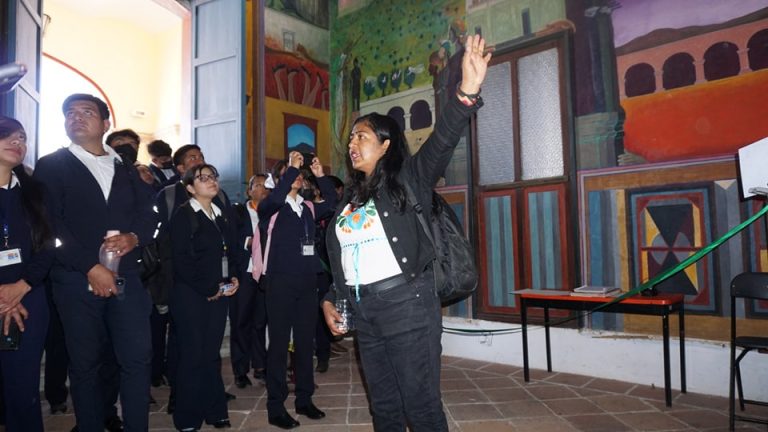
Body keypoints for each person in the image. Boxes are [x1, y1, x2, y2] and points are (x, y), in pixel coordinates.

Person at [321, 35, 490, 432]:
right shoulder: (348, 202)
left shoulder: (409, 180)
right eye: (350, 138)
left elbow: (443, 140)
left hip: (407, 306)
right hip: (365, 312)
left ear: (385, 145)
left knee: (421, 407)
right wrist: (331, 299)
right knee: (384, 408)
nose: (351, 144)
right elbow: (345, 260)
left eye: (360, 136)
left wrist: (467, 91)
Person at [33, 93, 157, 432]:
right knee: (85, 364)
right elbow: (49, 226)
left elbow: (149, 214)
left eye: (87, 112)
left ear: (105, 124)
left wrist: (135, 237)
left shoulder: (125, 168)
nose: (76, 117)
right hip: (75, 280)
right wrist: (91, 266)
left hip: (127, 277)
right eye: (70, 113)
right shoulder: (52, 165)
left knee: (136, 359)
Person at [257, 152, 336, 430]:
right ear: (280, 179)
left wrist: (321, 174)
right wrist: (291, 169)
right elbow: (277, 198)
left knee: (305, 343)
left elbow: (333, 203)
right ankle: (275, 407)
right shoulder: (271, 207)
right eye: (292, 174)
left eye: (300, 175)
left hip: (307, 282)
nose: (298, 176)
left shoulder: (308, 208)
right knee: (278, 346)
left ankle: (304, 399)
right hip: (279, 282)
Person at [169, 164, 239, 431]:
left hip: (216, 293)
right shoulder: (183, 215)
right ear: (189, 187)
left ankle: (215, 410)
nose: (211, 181)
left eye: (213, 177)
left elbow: (228, 253)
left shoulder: (220, 214)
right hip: (190, 296)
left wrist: (233, 278)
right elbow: (183, 261)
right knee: (192, 355)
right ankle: (187, 418)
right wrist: (208, 289)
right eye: (203, 178)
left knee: (211, 354)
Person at [0, 116, 54, 432]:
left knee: (23, 388)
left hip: (29, 299)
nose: (17, 142)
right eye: (7, 135)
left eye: (22, 138)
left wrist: (22, 286)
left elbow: (47, 247)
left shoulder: (35, 192)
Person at [229, 174, 269, 388]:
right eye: (258, 185)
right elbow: (230, 240)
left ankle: (260, 366)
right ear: (249, 190)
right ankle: (240, 369)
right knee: (241, 321)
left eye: (266, 186)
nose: (263, 190)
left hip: (264, 274)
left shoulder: (272, 213)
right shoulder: (237, 212)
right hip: (244, 273)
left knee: (260, 322)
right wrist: (251, 242)